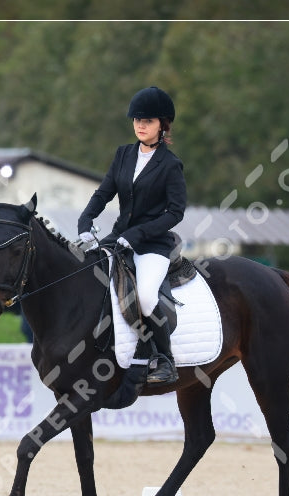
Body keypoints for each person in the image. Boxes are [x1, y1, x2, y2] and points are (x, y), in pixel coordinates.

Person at [77, 86, 187, 401]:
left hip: (153, 243)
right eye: (137, 119)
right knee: (87, 277)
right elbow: (103, 193)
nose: (140, 125)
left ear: (162, 125)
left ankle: (164, 359)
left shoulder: (170, 165)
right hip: (119, 236)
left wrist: (137, 235)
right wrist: (85, 222)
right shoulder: (124, 154)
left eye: (148, 120)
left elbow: (175, 213)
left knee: (148, 296)